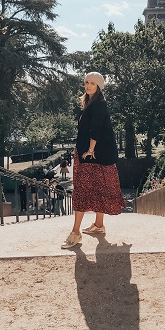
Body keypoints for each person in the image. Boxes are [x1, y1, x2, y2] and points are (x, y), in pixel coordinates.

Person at [61, 71, 125, 249]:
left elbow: (95, 130)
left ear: (99, 86)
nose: (88, 85)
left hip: (91, 155)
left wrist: (90, 150)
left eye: (92, 83)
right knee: (98, 188)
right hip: (95, 155)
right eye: (86, 82)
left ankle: (75, 233)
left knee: (82, 191)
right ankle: (98, 225)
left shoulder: (98, 104)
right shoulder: (92, 102)